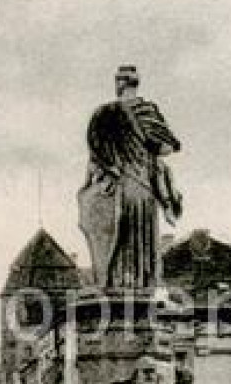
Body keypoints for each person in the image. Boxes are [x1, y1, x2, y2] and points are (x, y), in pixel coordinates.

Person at [78, 64, 183, 289]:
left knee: (117, 239)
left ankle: (116, 282)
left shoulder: (103, 114)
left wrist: (88, 184)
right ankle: (142, 284)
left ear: (120, 83)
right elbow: (166, 148)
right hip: (142, 188)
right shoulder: (148, 112)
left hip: (116, 187)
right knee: (142, 241)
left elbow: (95, 154)